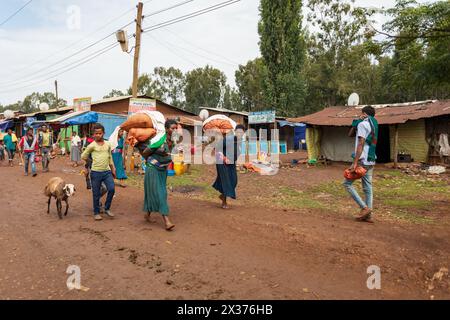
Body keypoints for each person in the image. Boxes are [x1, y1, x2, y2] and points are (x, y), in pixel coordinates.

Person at [343, 106, 378, 223]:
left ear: (364, 113)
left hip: (363, 160)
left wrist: (355, 162)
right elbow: (351, 134)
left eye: (361, 113)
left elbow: (360, 144)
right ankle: (368, 216)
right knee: (368, 187)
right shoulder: (373, 124)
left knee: (347, 184)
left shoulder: (363, 125)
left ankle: (364, 208)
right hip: (371, 159)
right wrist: (356, 123)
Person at [141, 119, 177, 231]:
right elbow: (145, 152)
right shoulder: (160, 140)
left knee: (156, 192)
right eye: (172, 128)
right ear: (166, 129)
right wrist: (157, 152)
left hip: (163, 171)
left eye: (176, 128)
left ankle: (147, 214)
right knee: (161, 194)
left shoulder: (173, 141)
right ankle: (167, 221)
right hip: (153, 169)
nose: (175, 130)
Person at [81, 123, 116, 221]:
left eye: (100, 133)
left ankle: (107, 208)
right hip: (95, 172)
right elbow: (83, 156)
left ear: (103, 133)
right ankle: (96, 212)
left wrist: (113, 169)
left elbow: (110, 157)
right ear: (93, 134)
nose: (98, 135)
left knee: (112, 189)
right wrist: (90, 162)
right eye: (96, 133)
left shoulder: (108, 144)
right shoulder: (91, 146)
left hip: (107, 172)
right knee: (96, 193)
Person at [213, 124, 243, 209]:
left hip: (231, 163)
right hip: (222, 162)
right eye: (238, 132)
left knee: (234, 180)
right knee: (226, 180)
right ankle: (224, 202)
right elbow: (217, 149)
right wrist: (224, 158)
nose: (240, 134)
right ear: (235, 131)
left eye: (241, 132)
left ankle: (222, 196)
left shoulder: (240, 142)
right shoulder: (229, 139)